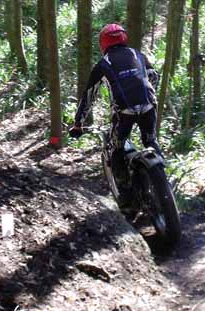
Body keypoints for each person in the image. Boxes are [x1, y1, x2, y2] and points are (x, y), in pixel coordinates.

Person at [70, 23, 162, 194]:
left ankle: (126, 195)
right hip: (149, 105)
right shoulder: (137, 53)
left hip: (124, 112)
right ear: (124, 38)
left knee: (116, 147)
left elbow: (89, 95)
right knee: (150, 141)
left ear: (103, 43)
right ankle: (163, 180)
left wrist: (78, 123)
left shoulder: (103, 64)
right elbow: (154, 76)